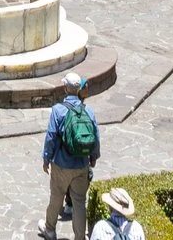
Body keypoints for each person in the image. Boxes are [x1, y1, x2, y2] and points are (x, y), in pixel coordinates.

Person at [41, 71, 100, 240]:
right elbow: (96, 136)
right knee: (79, 202)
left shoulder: (58, 111)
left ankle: (50, 230)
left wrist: (46, 158)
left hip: (61, 164)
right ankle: (80, 237)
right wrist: (93, 157)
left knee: (56, 198)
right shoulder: (88, 111)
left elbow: (51, 137)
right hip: (81, 165)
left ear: (66, 88)